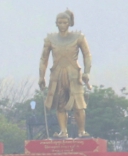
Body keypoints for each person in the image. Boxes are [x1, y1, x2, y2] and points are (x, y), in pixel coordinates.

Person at [38, 9, 93, 138]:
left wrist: (87, 72)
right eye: (59, 22)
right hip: (57, 74)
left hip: (74, 74)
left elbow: (87, 55)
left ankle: (81, 131)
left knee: (78, 105)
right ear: (56, 24)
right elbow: (44, 59)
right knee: (60, 104)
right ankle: (63, 131)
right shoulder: (50, 39)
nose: (62, 25)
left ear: (69, 23)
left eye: (64, 22)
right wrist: (41, 76)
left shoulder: (78, 37)